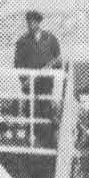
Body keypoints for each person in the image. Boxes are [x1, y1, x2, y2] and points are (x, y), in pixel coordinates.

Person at [12, 10, 62, 146]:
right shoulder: (22, 41)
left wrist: (52, 68)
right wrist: (24, 80)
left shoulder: (50, 39)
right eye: (28, 22)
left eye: (33, 22)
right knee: (30, 109)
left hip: (46, 82)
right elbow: (17, 64)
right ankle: (31, 140)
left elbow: (58, 60)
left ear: (39, 23)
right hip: (29, 83)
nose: (30, 24)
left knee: (46, 109)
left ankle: (49, 140)